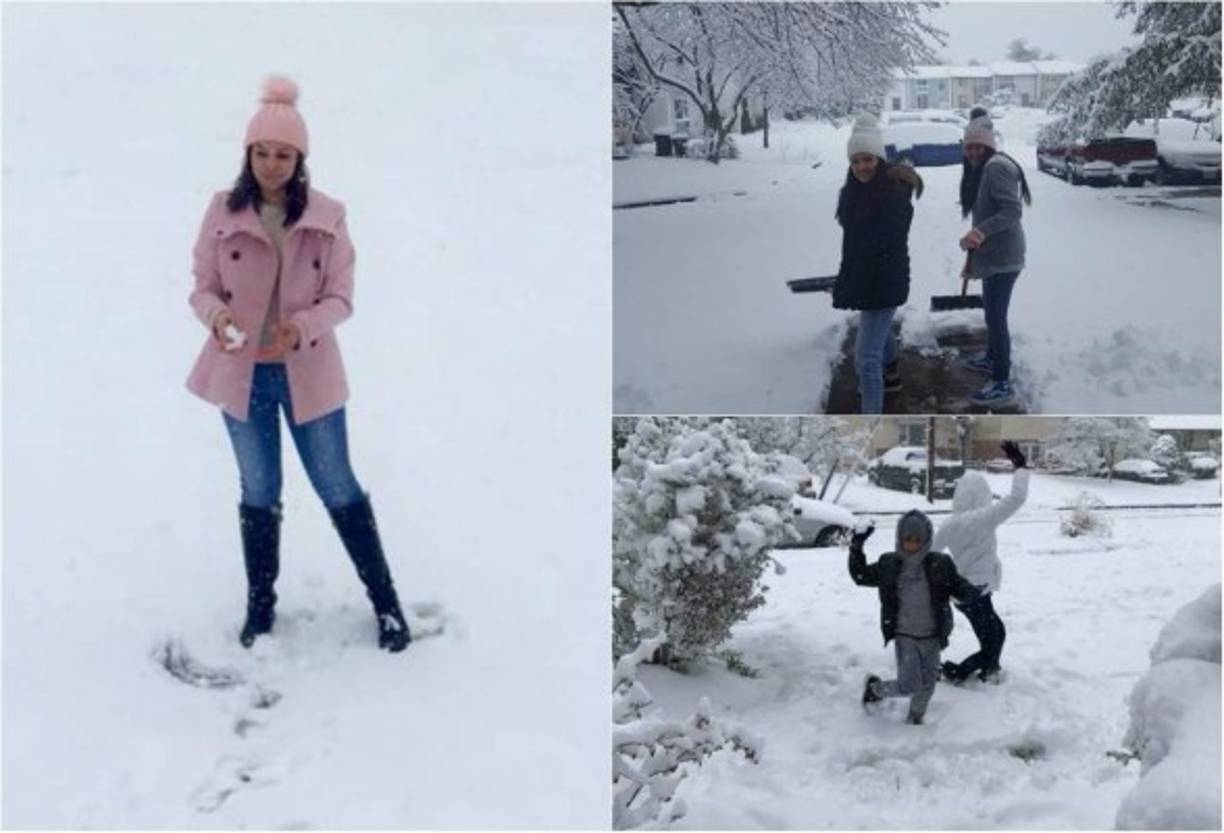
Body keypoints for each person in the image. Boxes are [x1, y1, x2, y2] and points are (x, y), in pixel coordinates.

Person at [186, 76, 411, 653]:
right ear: (247, 154)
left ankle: (386, 604)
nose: (271, 165)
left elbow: (341, 298)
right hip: (241, 375)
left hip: (309, 373)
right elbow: (201, 286)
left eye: (283, 155)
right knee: (259, 488)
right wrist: (216, 317)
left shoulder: (327, 217)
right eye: (261, 153)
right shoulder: (222, 210)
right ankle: (260, 607)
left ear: (300, 159)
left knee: (337, 483)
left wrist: (301, 327)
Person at [848, 510, 978, 725]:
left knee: (927, 687)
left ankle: (915, 721)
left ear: (926, 540)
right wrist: (857, 546)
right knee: (909, 685)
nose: (912, 544)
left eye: (918, 540)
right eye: (907, 539)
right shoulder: (889, 564)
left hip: (932, 636)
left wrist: (971, 592)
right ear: (900, 539)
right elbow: (860, 576)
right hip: (905, 636)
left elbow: (957, 585)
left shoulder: (940, 563)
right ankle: (875, 690)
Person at [832, 114, 924, 414]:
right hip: (866, 279)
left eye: (868, 159)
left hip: (885, 281)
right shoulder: (854, 192)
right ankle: (892, 374)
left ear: (879, 159)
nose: (862, 167)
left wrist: (852, 285)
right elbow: (854, 246)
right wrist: (848, 279)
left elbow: (881, 248)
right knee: (878, 332)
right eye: (856, 161)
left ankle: (871, 425)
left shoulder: (893, 196)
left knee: (865, 359)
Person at [933, 441, 1030, 683]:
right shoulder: (982, 518)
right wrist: (1020, 466)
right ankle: (959, 672)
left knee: (994, 634)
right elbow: (1017, 497)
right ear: (981, 494)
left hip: (962, 593)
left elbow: (929, 553)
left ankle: (987, 669)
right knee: (994, 637)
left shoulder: (949, 524)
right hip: (975, 590)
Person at [957, 115, 1032, 407]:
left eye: (979, 146)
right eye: (969, 147)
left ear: (989, 146)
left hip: (1005, 257)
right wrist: (976, 243)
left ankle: (1002, 382)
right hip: (995, 254)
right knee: (991, 313)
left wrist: (979, 232)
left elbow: (1012, 211)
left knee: (996, 319)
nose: (973, 152)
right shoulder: (986, 167)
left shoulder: (996, 167)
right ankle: (991, 357)